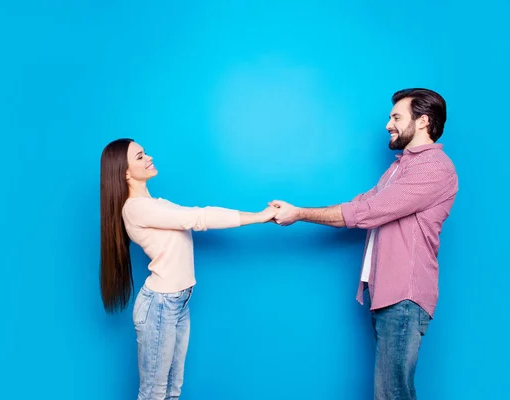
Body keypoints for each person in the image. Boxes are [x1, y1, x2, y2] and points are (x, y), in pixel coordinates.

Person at [270, 88, 458, 400]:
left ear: (423, 121)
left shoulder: (433, 169)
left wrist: (299, 213)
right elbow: (360, 204)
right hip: (386, 293)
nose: (388, 124)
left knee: (392, 393)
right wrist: (296, 211)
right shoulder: (400, 167)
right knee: (391, 392)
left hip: (405, 296)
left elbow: (365, 213)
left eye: (396, 117)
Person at [100, 138, 277, 400]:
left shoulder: (157, 204)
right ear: (125, 172)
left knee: (173, 390)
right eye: (139, 157)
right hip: (160, 306)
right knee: (154, 394)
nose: (148, 157)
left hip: (178, 302)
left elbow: (191, 216)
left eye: (145, 152)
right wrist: (258, 216)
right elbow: (198, 217)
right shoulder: (136, 208)